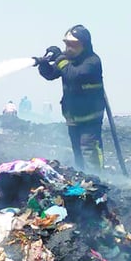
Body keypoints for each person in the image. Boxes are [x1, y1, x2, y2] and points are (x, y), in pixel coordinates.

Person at [35, 25, 105, 170]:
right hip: (73, 118)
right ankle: (83, 178)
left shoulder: (92, 61)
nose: (68, 48)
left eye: (73, 45)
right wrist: (44, 64)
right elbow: (51, 74)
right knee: (78, 152)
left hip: (90, 119)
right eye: (66, 44)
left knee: (89, 149)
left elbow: (74, 75)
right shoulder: (68, 60)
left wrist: (60, 58)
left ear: (84, 45)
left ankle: (98, 179)